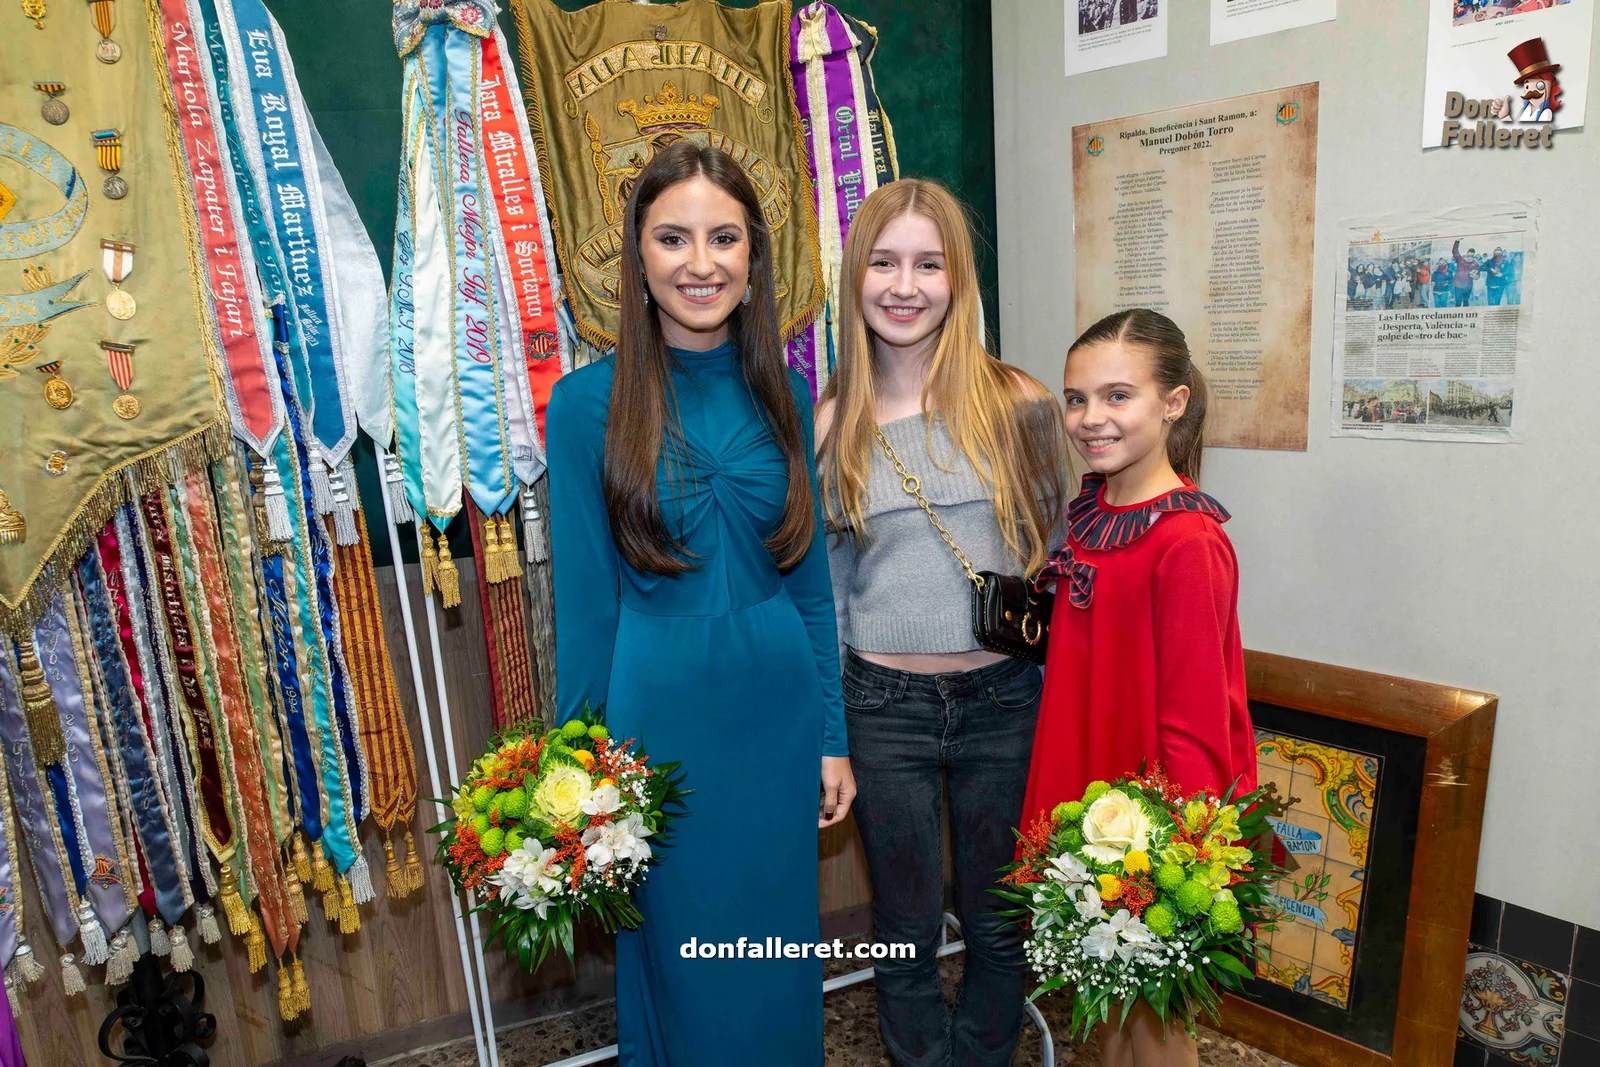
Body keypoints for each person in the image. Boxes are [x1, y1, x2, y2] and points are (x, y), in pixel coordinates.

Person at [546, 141, 853, 1066]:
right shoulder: (583, 406)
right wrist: (577, 778)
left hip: (777, 713)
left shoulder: (789, 396)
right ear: (637, 257)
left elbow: (808, 580)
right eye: (672, 237)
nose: (700, 262)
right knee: (681, 960)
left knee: (774, 951)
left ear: (754, 257)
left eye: (723, 238)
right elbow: (586, 605)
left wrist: (832, 735)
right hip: (657, 722)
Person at [817, 178, 1067, 1067]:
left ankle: (983, 1054)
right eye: (884, 262)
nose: (904, 284)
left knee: (1004, 911)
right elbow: (830, 591)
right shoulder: (831, 423)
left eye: (929, 263)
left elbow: (1055, 549)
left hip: (1007, 698)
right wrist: (829, 735)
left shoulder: (1021, 405)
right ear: (855, 278)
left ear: (959, 281)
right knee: (907, 922)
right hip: (883, 707)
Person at [1021, 308, 1257, 1067]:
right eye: (1077, 398)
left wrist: (1171, 858)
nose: (1091, 418)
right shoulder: (1092, 512)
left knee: (1156, 1026)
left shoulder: (1187, 540)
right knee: (1108, 1010)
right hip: (1087, 790)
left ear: (1174, 403)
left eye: (1118, 396)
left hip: (1150, 825)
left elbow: (1194, 716)